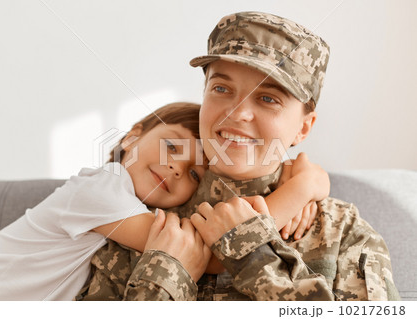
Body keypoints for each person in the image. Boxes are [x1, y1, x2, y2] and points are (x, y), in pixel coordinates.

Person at [78, 12, 399, 301]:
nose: (237, 112)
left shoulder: (341, 231)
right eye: (221, 89)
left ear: (303, 128)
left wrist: (253, 255)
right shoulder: (138, 214)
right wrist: (169, 271)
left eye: (268, 98)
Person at [0, 102, 207, 300]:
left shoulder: (128, 206)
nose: (177, 167)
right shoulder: (102, 187)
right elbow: (182, 244)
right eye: (171, 145)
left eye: (194, 174)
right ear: (132, 138)